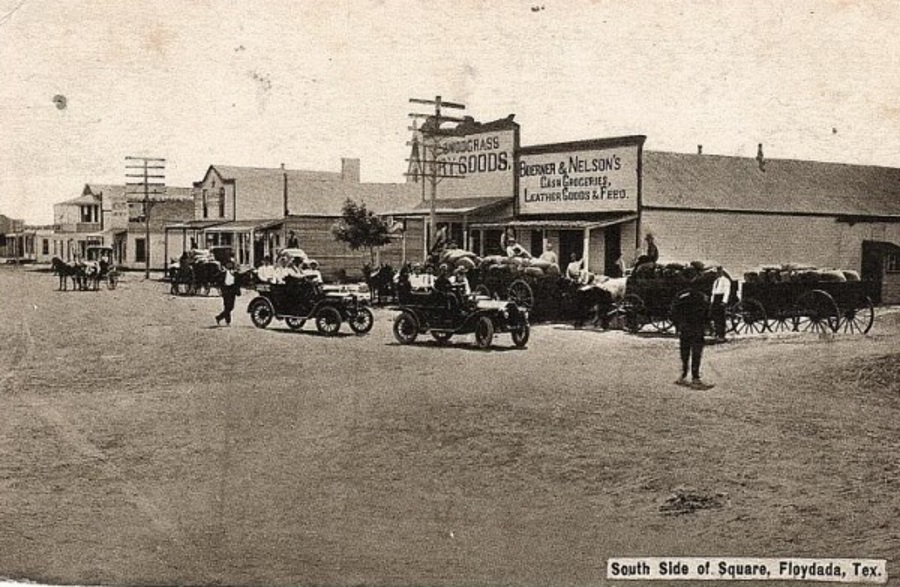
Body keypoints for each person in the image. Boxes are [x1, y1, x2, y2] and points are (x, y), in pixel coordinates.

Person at [671, 288, 714, 390]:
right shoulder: (702, 297)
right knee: (696, 353)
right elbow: (707, 313)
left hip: (685, 328)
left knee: (684, 351)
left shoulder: (680, 296)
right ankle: (695, 377)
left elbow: (673, 312)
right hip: (697, 328)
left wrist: (677, 326)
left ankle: (684, 374)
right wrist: (708, 325)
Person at [215, 261, 241, 326]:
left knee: (231, 307)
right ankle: (228, 321)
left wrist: (238, 291)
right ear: (226, 266)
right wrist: (220, 289)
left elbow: (238, 283)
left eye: (230, 265)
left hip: (232, 290)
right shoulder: (223, 273)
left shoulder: (235, 274)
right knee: (227, 306)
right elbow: (219, 281)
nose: (229, 266)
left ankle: (219, 317)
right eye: (228, 265)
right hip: (226, 290)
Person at [711, 266, 731, 342]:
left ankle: (721, 336)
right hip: (716, 299)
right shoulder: (715, 281)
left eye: (719, 272)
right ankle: (717, 334)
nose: (717, 273)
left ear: (721, 272)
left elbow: (727, 291)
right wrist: (712, 301)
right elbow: (713, 292)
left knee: (721, 318)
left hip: (721, 298)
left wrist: (724, 301)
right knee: (715, 317)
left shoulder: (725, 280)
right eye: (716, 272)